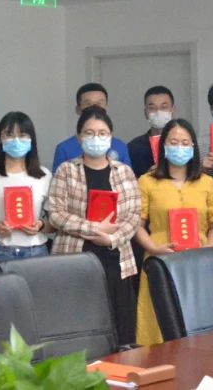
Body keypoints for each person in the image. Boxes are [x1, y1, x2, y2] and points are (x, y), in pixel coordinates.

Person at [46, 107, 142, 346]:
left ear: (111, 137)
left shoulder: (124, 172)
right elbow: (55, 214)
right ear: (79, 138)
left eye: (102, 133)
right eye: (89, 133)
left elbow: (133, 216)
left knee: (121, 330)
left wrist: (111, 239)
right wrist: (93, 229)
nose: (96, 138)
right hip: (74, 259)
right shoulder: (66, 170)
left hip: (117, 259)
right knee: (79, 326)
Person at [133, 118, 213, 346]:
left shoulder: (207, 182)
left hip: (199, 264)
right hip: (159, 262)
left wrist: (208, 250)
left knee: (198, 326)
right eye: (173, 142)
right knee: (158, 327)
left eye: (185, 142)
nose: (179, 147)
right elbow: (137, 224)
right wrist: (153, 248)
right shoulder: (146, 182)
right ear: (163, 146)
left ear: (193, 147)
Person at [0, 112, 54, 267]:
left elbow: (54, 223)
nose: (16, 140)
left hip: (36, 251)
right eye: (9, 135)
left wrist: (40, 225)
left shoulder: (44, 175)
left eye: (22, 135)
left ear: (31, 139)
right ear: (0, 139)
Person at [52, 83, 131, 170]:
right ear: (78, 109)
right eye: (88, 104)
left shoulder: (120, 146)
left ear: (106, 107)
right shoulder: (64, 149)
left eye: (100, 103)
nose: (95, 107)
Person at [127, 86, 176, 177]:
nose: (158, 112)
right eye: (152, 108)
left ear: (173, 110)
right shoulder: (133, 147)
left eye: (164, 107)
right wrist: (147, 178)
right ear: (145, 113)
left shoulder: (184, 143)